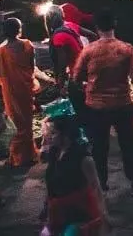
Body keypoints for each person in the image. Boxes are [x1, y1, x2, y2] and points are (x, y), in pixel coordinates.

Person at [73, 11, 133, 193]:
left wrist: (88, 85)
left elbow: (76, 78)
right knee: (128, 144)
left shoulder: (88, 50)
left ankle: (101, 185)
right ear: (114, 25)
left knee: (99, 148)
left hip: (96, 107)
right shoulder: (126, 49)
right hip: (122, 104)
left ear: (96, 28)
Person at [41, 99, 106, 236]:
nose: (48, 137)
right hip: (58, 210)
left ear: (66, 134)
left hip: (80, 212)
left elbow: (96, 187)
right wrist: (47, 206)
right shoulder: (54, 153)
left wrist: (103, 216)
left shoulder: (83, 158)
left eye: (53, 133)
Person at [0, 18, 48, 168]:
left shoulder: (1, 51)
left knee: (16, 123)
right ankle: (29, 154)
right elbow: (32, 67)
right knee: (27, 122)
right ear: (19, 30)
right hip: (26, 89)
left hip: (11, 91)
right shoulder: (27, 44)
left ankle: (17, 157)